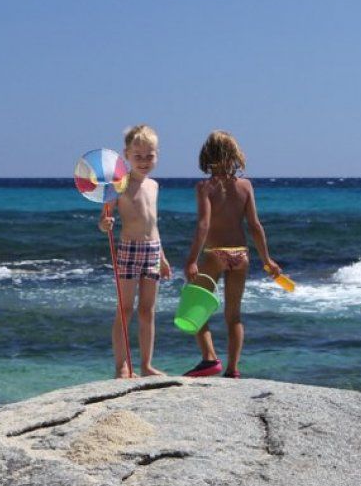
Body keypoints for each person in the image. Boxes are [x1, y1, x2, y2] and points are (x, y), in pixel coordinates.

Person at [182, 131, 280, 379]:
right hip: (241, 255)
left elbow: (203, 225)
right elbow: (255, 226)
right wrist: (267, 259)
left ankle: (209, 359)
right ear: (235, 155)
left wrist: (192, 259)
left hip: (215, 254)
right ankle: (232, 369)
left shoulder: (205, 187)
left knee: (195, 306)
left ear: (208, 157)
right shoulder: (245, 186)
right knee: (234, 315)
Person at [99, 124, 172, 378]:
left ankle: (146, 365)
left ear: (157, 155)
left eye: (149, 156)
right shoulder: (119, 185)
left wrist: (162, 258)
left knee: (148, 309)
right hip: (128, 249)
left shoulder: (154, 186)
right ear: (126, 155)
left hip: (152, 251)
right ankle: (121, 366)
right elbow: (104, 218)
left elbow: (154, 224)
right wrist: (105, 224)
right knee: (125, 308)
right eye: (137, 156)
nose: (143, 161)